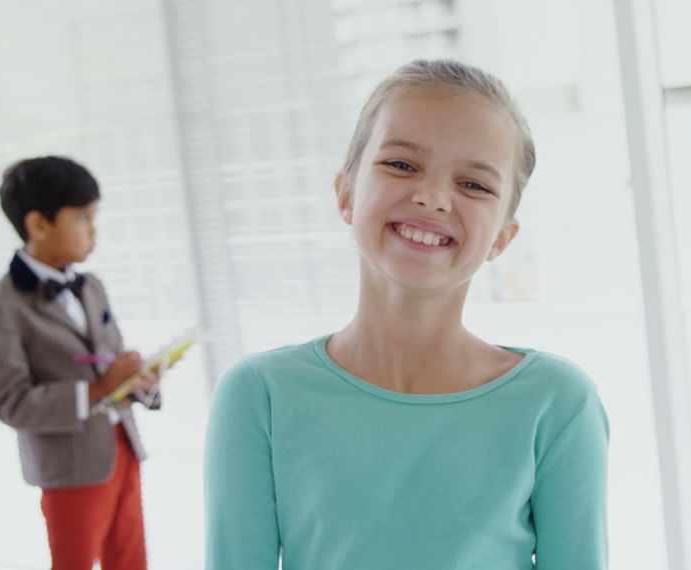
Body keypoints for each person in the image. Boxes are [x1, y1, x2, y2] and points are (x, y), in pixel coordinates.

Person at [205, 59, 609, 569]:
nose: (431, 197)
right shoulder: (258, 395)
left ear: (503, 238)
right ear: (345, 193)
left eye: (474, 185)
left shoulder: (557, 404)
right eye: (401, 165)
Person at [0, 156, 162, 570]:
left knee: (132, 560)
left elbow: (110, 360)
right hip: (70, 467)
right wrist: (95, 389)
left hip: (122, 448)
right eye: (82, 218)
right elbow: (11, 402)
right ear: (38, 225)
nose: (93, 231)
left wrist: (139, 378)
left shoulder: (91, 286)